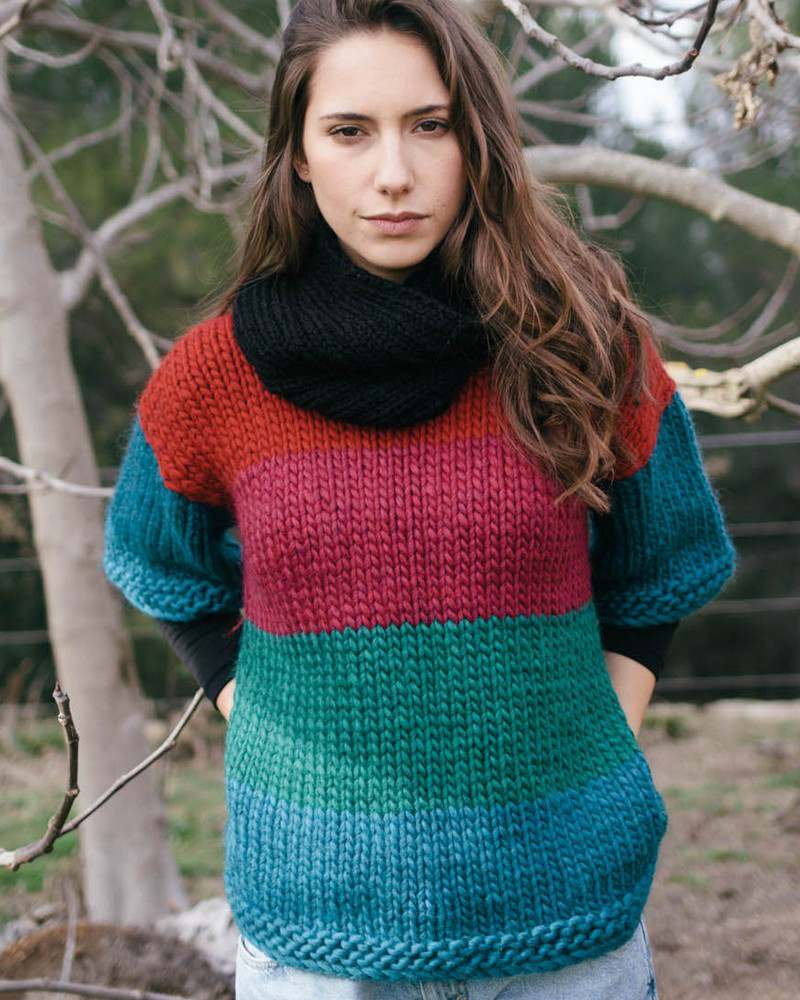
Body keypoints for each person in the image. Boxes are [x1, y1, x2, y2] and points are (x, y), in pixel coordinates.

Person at [101, 1, 738, 998]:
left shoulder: (583, 342)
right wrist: (248, 706)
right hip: (317, 934)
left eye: (429, 125)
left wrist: (601, 727)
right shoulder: (212, 377)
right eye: (349, 131)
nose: (393, 173)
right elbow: (161, 565)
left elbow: (663, 565)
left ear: (476, 139)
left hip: (568, 919)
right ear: (299, 154)